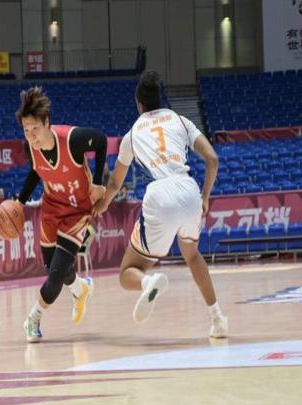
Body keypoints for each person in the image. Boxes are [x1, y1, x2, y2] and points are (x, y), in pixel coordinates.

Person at [93, 71, 228, 338]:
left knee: (127, 272)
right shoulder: (180, 120)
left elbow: (116, 183)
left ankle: (148, 281)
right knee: (192, 255)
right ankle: (218, 319)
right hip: (189, 190)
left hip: (159, 195)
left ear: (139, 103)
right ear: (160, 98)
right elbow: (212, 159)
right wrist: (205, 196)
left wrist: (103, 205)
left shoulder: (132, 135)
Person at [16, 86, 107, 342]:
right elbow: (36, 171)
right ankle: (80, 288)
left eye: (35, 128)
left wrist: (98, 183)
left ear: (47, 123)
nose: (31, 135)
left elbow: (100, 141)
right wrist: (20, 201)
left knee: (55, 276)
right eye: (26, 130)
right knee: (53, 267)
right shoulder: (30, 147)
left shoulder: (72, 139)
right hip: (52, 208)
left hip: (77, 213)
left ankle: (33, 318)